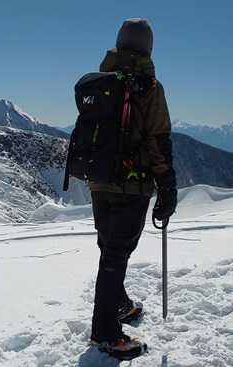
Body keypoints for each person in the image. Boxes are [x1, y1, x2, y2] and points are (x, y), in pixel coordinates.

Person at [88, 18, 177, 360]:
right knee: (115, 255)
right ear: (148, 48)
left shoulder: (101, 81)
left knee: (108, 249)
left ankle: (120, 305)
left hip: (98, 182)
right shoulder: (150, 87)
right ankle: (106, 334)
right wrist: (167, 189)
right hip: (132, 185)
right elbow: (158, 141)